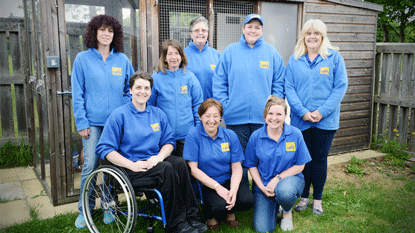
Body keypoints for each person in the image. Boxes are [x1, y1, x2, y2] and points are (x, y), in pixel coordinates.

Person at [95, 72, 207, 233]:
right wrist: (131, 165)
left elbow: (169, 141)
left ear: (150, 91)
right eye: (138, 87)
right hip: (131, 168)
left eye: (146, 88)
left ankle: (192, 217)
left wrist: (159, 157)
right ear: (131, 90)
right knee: (167, 168)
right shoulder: (119, 115)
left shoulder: (157, 113)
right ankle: (176, 224)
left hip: (154, 162)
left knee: (180, 164)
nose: (143, 91)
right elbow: (104, 149)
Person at [71, 14, 134, 229]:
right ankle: (85, 209)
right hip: (92, 123)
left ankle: (109, 205)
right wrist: (81, 122)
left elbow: (131, 89)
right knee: (89, 164)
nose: (106, 34)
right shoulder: (82, 59)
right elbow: (77, 93)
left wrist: (123, 111)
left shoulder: (122, 60)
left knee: (110, 164)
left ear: (114, 34)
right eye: (102, 30)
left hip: (115, 124)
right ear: (94, 33)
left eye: (110, 30)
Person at [212, 13, 285, 185]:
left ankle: (264, 193)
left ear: (262, 30)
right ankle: (243, 197)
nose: (253, 30)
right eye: (250, 26)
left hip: (265, 120)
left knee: (265, 159)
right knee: (239, 160)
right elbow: (219, 82)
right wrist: (226, 107)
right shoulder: (230, 51)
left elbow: (279, 81)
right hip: (236, 120)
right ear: (243, 28)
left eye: (257, 27)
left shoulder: (271, 52)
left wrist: (273, 108)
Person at [285, 19, 348, 215]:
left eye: (317, 33)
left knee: (320, 159)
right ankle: (303, 197)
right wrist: (303, 111)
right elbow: (289, 87)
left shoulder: (334, 58)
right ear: (303, 36)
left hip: (325, 121)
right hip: (300, 120)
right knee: (304, 160)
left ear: (323, 36)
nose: (312, 37)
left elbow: (340, 87)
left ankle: (317, 199)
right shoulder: (295, 59)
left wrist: (322, 111)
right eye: (308, 33)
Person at [183, 98, 255, 231]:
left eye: (216, 116)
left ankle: (230, 212)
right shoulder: (193, 135)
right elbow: (193, 169)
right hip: (206, 183)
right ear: (200, 117)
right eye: (207, 116)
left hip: (227, 179)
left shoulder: (230, 135)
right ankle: (210, 215)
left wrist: (233, 189)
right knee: (218, 206)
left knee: (247, 200)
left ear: (221, 117)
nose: (212, 120)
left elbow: (236, 166)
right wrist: (217, 188)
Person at [243, 95, 311, 232]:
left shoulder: (295, 134)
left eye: (279, 114)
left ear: (286, 115)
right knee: (262, 229)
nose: (274, 118)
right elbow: (251, 165)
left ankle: (286, 211)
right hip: (265, 186)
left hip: (290, 181)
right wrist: (262, 187)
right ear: (265, 116)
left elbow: (300, 165)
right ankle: (275, 205)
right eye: (270, 114)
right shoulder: (256, 136)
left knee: (285, 192)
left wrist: (278, 178)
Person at [149, 39, 203, 157]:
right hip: (164, 137)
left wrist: (197, 129)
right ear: (164, 58)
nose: (174, 57)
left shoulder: (190, 78)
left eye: (177, 53)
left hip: (187, 136)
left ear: (182, 56)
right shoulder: (156, 79)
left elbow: (198, 105)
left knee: (186, 170)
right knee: (168, 170)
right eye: (170, 54)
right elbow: (149, 107)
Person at [184, 16, 220, 100]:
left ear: (207, 33)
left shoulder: (216, 55)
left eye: (203, 30)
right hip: (190, 106)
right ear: (191, 33)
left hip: (211, 107)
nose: (200, 33)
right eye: (196, 30)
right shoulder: (182, 55)